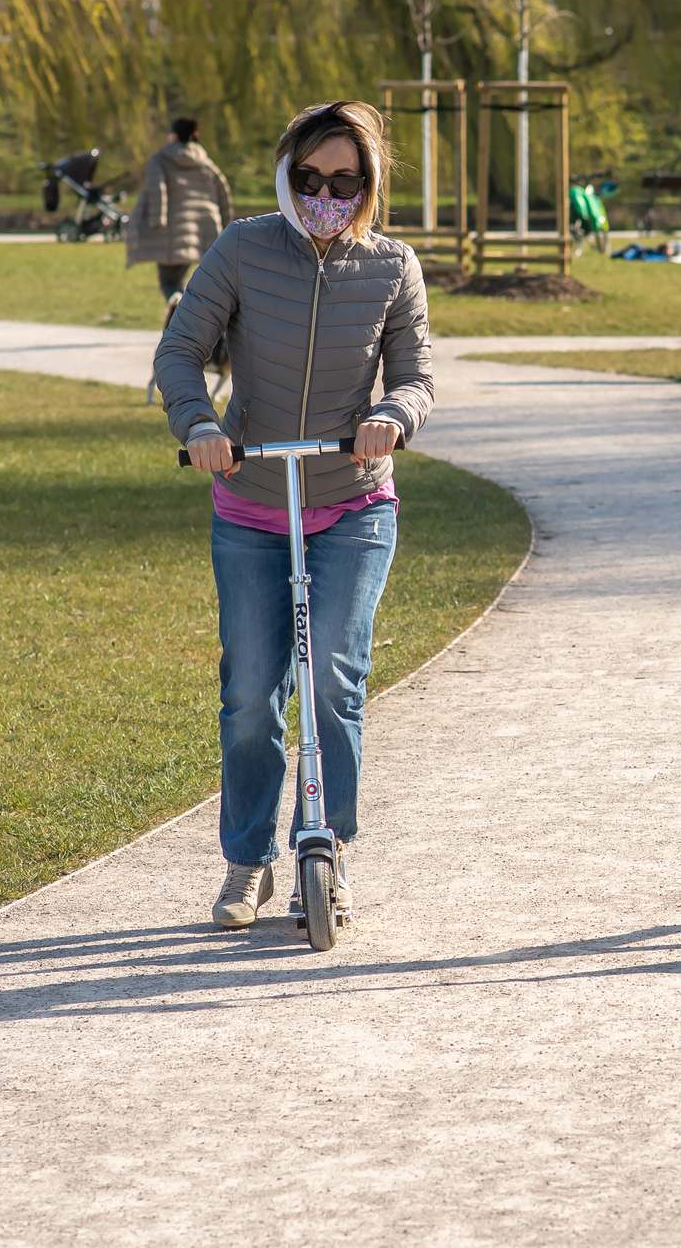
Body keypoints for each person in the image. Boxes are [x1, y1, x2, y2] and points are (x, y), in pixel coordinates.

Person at [155, 100, 435, 929]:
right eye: (308, 177)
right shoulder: (243, 248)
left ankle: (328, 847)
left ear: (369, 184)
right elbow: (180, 350)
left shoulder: (392, 266)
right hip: (252, 500)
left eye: (344, 181)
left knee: (333, 681)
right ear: (285, 173)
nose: (324, 195)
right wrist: (199, 424)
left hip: (352, 501)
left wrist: (393, 415)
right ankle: (247, 861)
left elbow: (416, 374)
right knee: (251, 692)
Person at [126, 116, 234, 301]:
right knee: (181, 276)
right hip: (202, 228)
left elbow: (157, 190)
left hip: (171, 230)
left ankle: (177, 303)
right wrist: (227, 226)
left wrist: (156, 220)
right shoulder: (206, 163)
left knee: (168, 281)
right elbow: (224, 195)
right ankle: (182, 304)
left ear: (174, 136)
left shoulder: (160, 160)